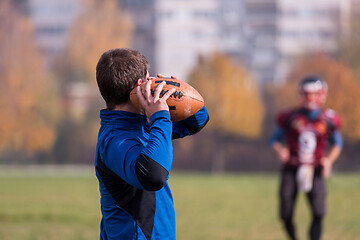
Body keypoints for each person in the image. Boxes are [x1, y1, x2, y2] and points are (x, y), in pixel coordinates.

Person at [94, 48, 209, 240]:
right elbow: (154, 175)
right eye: (150, 79)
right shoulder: (115, 139)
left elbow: (197, 121)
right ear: (140, 86)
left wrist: (179, 92)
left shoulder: (142, 122)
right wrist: (160, 117)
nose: (154, 82)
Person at [270, 75, 343, 240]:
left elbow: (337, 142)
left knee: (319, 211)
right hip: (292, 167)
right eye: (307, 94)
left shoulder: (328, 118)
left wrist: (329, 161)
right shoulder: (290, 117)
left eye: (314, 94)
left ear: (321, 95)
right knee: (285, 213)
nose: (310, 98)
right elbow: (274, 139)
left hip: (315, 168)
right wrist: (280, 150)